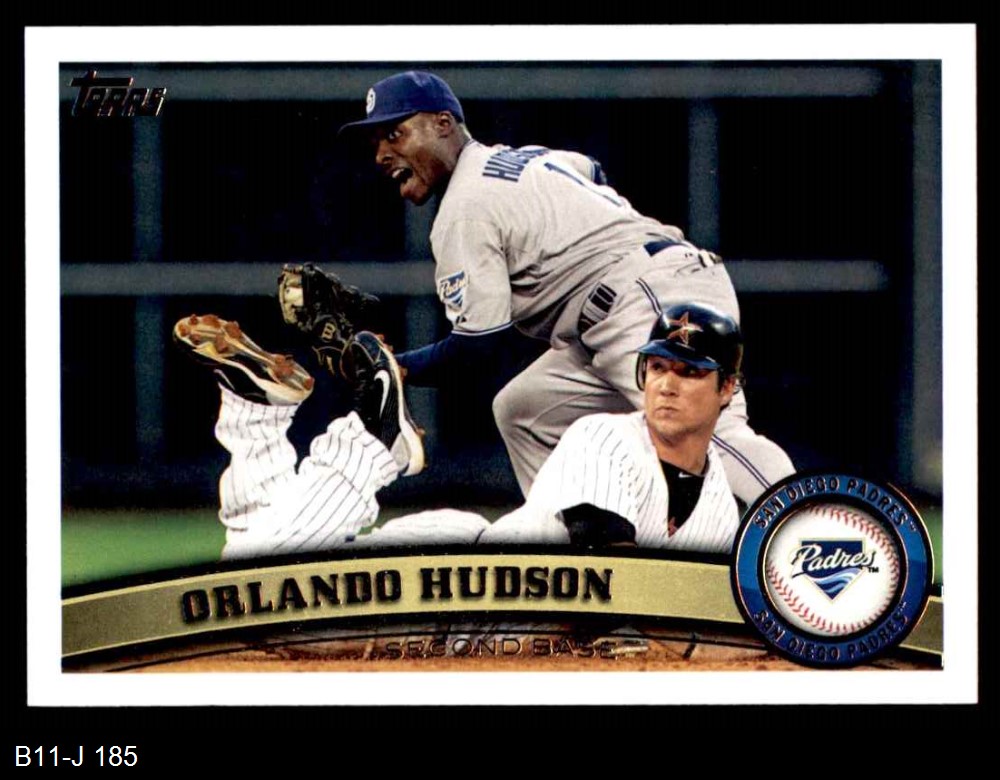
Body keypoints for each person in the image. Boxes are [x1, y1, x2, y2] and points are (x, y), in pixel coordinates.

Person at [335, 70, 794, 508]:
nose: (381, 155)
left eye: (394, 134)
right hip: (625, 305)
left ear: (443, 124)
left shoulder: (465, 209)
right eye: (376, 143)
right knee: (525, 411)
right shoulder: (528, 157)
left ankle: (810, 530)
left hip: (651, 300)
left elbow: (478, 349)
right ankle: (584, 540)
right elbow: (591, 170)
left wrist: (398, 367)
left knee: (709, 434)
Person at [173, 302, 742, 558]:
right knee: (268, 586)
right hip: (453, 579)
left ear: (727, 389)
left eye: (690, 372)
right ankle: (371, 441)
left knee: (252, 565)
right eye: (658, 367)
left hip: (466, 581)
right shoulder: (607, 438)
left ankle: (255, 413)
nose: (667, 385)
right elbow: (609, 569)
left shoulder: (720, 503)